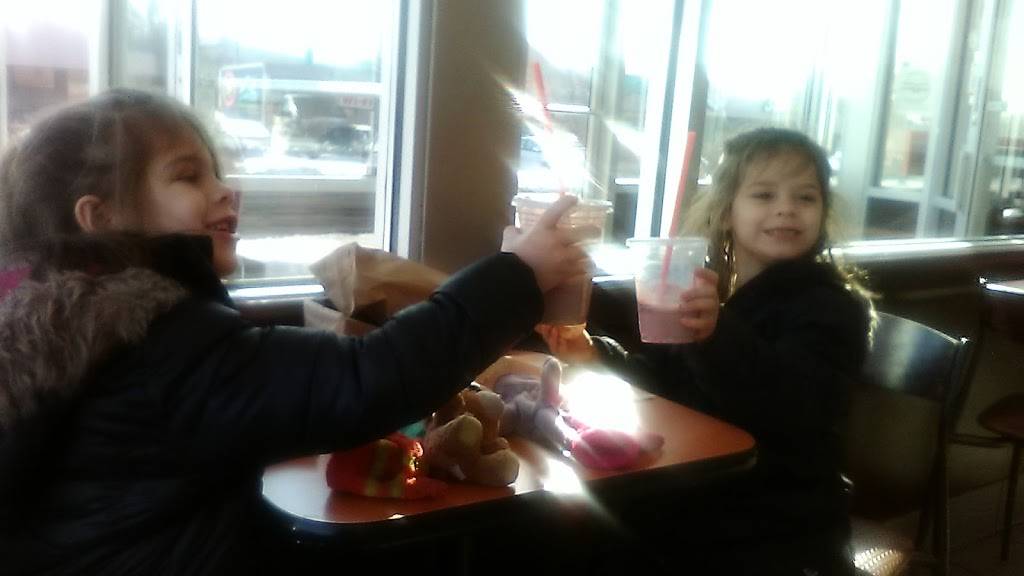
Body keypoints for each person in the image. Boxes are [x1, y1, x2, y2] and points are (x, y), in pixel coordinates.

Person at [0, 88, 590, 575]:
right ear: (101, 218)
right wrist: (520, 275)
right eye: (188, 176)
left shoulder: (60, 332)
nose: (225, 190)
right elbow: (368, 378)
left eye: (216, 172)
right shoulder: (160, 344)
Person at [539, 127, 873, 575]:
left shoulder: (832, 307)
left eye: (806, 197)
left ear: (823, 213)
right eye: (764, 194)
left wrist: (717, 335)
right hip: (702, 493)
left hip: (782, 521)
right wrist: (595, 355)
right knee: (563, 527)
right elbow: (665, 383)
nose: (786, 208)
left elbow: (796, 406)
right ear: (727, 211)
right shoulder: (718, 295)